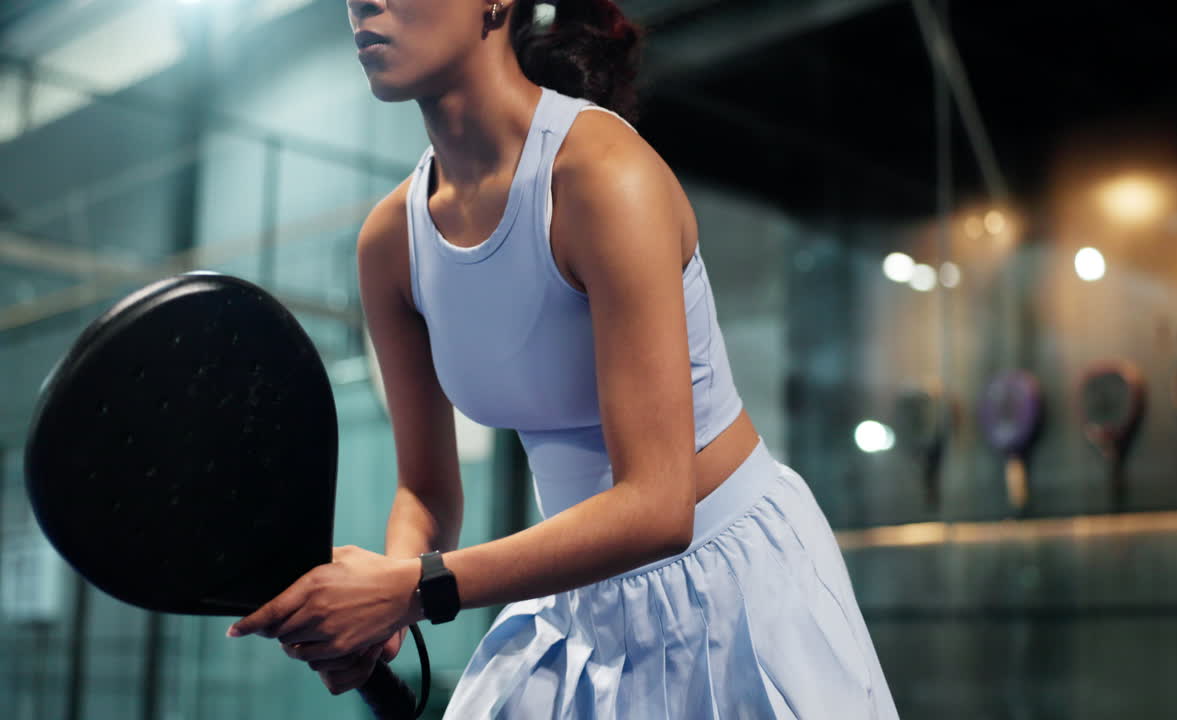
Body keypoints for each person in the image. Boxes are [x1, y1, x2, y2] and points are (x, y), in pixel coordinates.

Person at [228, 0, 899, 716]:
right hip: (574, 599)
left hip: (728, 588)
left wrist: (414, 589)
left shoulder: (602, 173)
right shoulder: (390, 243)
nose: (363, 2)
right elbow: (426, 491)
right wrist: (387, 600)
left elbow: (658, 508)